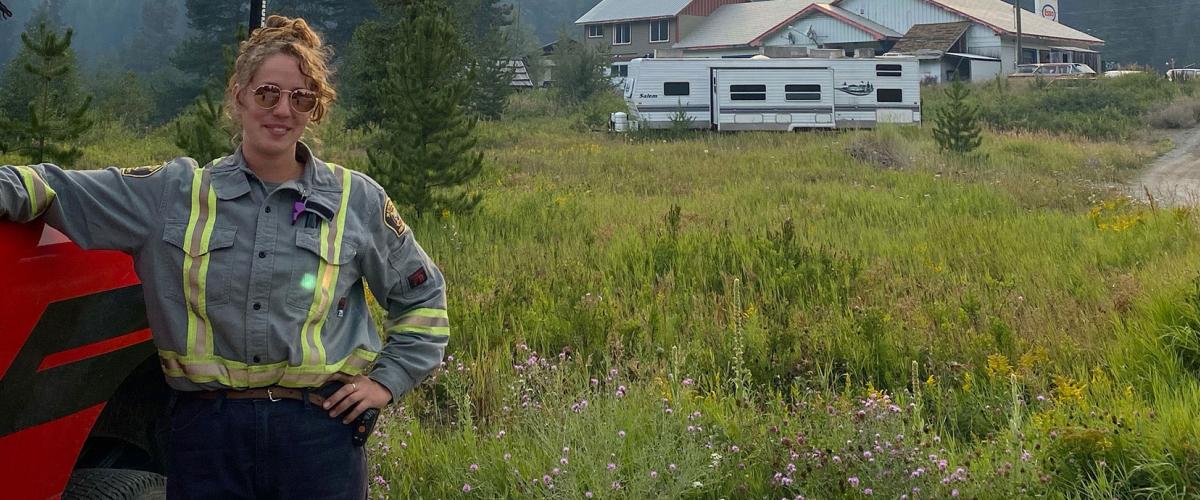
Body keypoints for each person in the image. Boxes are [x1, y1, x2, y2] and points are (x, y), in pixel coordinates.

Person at [0, 15, 448, 499]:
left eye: (301, 98)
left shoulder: (356, 200)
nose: (282, 110)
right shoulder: (174, 192)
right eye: (267, 93)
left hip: (320, 439)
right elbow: (46, 187)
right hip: (206, 437)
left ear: (315, 109)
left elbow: (424, 298)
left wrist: (387, 381)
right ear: (239, 95)